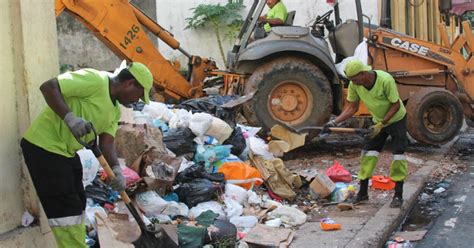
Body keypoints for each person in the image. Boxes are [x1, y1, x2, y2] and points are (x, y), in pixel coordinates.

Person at [21, 60, 153, 247]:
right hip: (44, 147)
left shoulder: (115, 110)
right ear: (130, 83)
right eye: (139, 96)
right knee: (65, 211)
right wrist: (70, 118)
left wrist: (116, 169)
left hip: (66, 152)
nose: (136, 102)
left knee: (78, 203)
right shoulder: (95, 80)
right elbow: (49, 87)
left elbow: (106, 142)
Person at [323, 59, 408, 208]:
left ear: (363, 73)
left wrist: (382, 124)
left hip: (396, 119)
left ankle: (398, 195)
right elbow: (352, 108)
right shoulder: (355, 85)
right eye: (351, 80)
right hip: (377, 121)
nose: (353, 83)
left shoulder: (385, 80)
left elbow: (395, 105)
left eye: (355, 79)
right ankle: (362, 194)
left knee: (398, 156)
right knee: (368, 154)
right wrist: (334, 123)